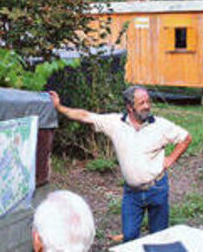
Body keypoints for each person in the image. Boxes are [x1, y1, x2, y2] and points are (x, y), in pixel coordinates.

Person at [49, 86, 191, 242]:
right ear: (129, 107)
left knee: (159, 237)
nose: (147, 106)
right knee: (129, 236)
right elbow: (85, 116)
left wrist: (170, 159)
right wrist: (59, 107)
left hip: (157, 189)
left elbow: (186, 138)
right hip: (132, 193)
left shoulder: (161, 125)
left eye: (148, 102)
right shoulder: (115, 123)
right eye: (141, 103)